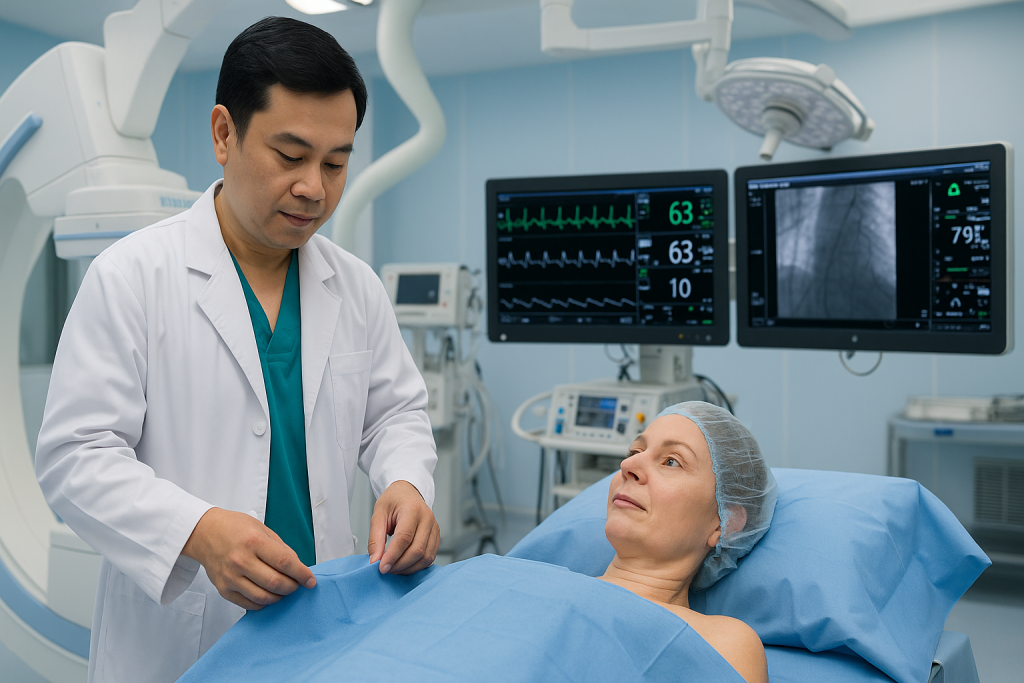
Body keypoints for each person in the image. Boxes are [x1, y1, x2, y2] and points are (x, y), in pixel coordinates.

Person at [34, 16, 439, 683]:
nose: (315, 186)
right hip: (184, 640)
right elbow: (73, 456)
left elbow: (396, 412)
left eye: (336, 163)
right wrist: (198, 530)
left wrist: (405, 480)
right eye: (291, 156)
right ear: (224, 133)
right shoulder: (133, 276)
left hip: (323, 623)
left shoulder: (355, 286)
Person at [600, 401, 778, 683]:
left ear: (725, 523)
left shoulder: (723, 644)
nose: (628, 464)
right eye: (635, 451)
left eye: (671, 461)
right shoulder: (538, 581)